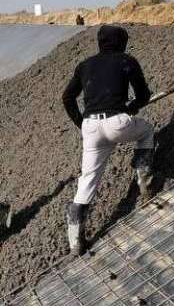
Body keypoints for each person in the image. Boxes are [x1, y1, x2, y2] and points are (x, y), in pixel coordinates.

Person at [61, 25, 155, 257]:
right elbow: (144, 94)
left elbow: (67, 97)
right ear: (121, 42)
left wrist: (81, 123)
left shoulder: (84, 65)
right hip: (117, 122)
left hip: (91, 127)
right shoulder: (126, 60)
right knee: (146, 132)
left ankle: (75, 243)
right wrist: (130, 109)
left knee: (87, 182)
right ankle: (144, 181)